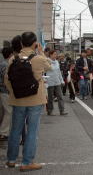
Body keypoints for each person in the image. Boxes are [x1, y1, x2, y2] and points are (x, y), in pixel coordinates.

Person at [5, 32, 51, 171]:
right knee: (32, 131)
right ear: (34, 43)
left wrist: (15, 93)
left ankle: (11, 160)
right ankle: (27, 162)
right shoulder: (38, 59)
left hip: (17, 100)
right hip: (35, 100)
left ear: (21, 43)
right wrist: (41, 52)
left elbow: (7, 80)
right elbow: (50, 66)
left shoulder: (13, 59)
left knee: (15, 130)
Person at [46, 50, 68, 116]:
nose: (56, 55)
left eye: (56, 54)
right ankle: (50, 111)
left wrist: (62, 81)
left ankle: (62, 111)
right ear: (50, 55)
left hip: (57, 81)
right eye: (54, 54)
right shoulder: (47, 61)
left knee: (60, 96)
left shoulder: (57, 62)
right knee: (50, 97)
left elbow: (59, 72)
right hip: (50, 82)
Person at [0, 47, 13, 141]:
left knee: (3, 112)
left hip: (1, 90)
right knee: (9, 111)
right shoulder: (6, 65)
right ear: (10, 54)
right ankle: (3, 132)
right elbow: (6, 79)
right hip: (4, 90)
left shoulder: (2, 63)